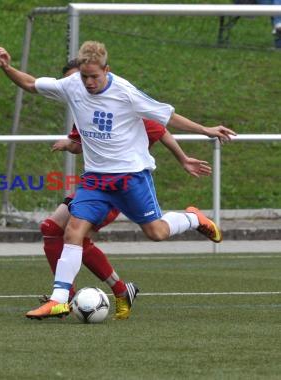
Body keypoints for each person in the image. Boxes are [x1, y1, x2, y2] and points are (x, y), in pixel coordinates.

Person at [0, 41, 237, 320]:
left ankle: (195, 218)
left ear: (106, 70)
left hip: (131, 177)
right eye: (84, 76)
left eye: (94, 76)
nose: (88, 82)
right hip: (95, 180)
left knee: (156, 232)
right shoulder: (73, 85)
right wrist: (7, 68)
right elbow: (31, 83)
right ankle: (59, 299)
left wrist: (205, 130)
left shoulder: (125, 92)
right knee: (73, 230)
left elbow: (166, 118)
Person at [39, 60, 213, 320]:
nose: (82, 84)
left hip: (122, 186)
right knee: (54, 229)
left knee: (146, 232)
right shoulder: (83, 103)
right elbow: (80, 143)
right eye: (76, 80)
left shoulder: (122, 99)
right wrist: (69, 143)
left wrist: (184, 158)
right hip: (95, 182)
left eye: (86, 77)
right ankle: (66, 296)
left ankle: (102, 292)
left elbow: (160, 129)